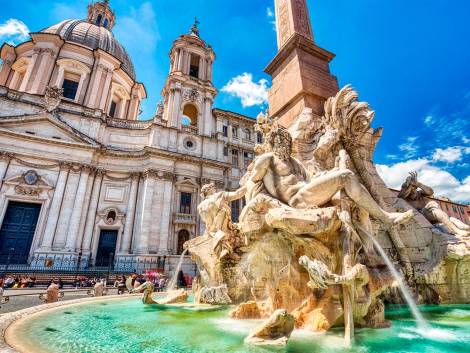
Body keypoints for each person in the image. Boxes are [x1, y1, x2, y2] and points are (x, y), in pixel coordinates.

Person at [245, 125, 413, 227]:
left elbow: (311, 180)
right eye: (278, 141)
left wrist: (329, 174)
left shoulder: (295, 162)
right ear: (272, 144)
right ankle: (385, 217)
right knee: (345, 176)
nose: (282, 144)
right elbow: (252, 185)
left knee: (355, 203)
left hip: (311, 194)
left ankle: (370, 253)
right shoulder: (267, 159)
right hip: (298, 200)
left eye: (285, 141)